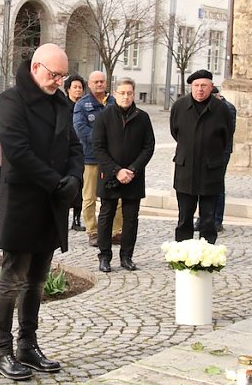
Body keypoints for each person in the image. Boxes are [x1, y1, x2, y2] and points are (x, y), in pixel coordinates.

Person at [0, 43, 83, 381]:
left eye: (62, 76)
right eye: (53, 74)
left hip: (52, 202)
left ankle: (28, 344)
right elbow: (18, 152)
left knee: (38, 280)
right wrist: (57, 182)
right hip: (25, 203)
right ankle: (1, 350)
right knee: (13, 279)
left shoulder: (59, 100)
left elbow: (74, 144)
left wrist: (73, 178)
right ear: (35, 67)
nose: (58, 81)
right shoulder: (12, 101)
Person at [92, 78, 155, 272]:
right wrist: (116, 170)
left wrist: (133, 169)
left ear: (134, 94)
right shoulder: (104, 116)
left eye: (129, 93)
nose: (126, 97)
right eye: (122, 93)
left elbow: (148, 146)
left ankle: (126, 256)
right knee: (106, 216)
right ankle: (104, 257)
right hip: (110, 175)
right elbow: (98, 147)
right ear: (115, 94)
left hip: (134, 176)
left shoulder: (142, 117)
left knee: (131, 218)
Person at [170, 70, 234, 244]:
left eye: (204, 86)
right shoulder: (179, 106)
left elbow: (227, 135)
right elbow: (175, 132)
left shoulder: (221, 109)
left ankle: (207, 255)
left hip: (210, 170)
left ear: (211, 87)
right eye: (196, 86)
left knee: (208, 219)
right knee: (184, 217)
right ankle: (182, 252)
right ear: (191, 87)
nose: (200, 90)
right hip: (185, 169)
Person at [73, 71, 122, 246]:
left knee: (116, 196)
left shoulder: (114, 103)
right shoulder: (82, 105)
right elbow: (81, 130)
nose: (100, 84)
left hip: (112, 159)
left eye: (102, 81)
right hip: (91, 158)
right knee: (89, 197)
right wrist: (103, 138)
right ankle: (92, 231)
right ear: (90, 84)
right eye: (96, 82)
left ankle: (116, 231)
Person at [194, 86, 237, 232]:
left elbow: (226, 132)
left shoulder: (227, 108)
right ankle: (203, 218)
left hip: (221, 152)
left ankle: (216, 219)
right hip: (205, 152)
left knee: (217, 185)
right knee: (203, 185)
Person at [64, 75, 86, 231]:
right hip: (66, 149)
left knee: (80, 185)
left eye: (80, 87)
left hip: (82, 150)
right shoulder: (63, 106)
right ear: (68, 89)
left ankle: (77, 219)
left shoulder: (85, 106)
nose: (78, 90)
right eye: (75, 87)